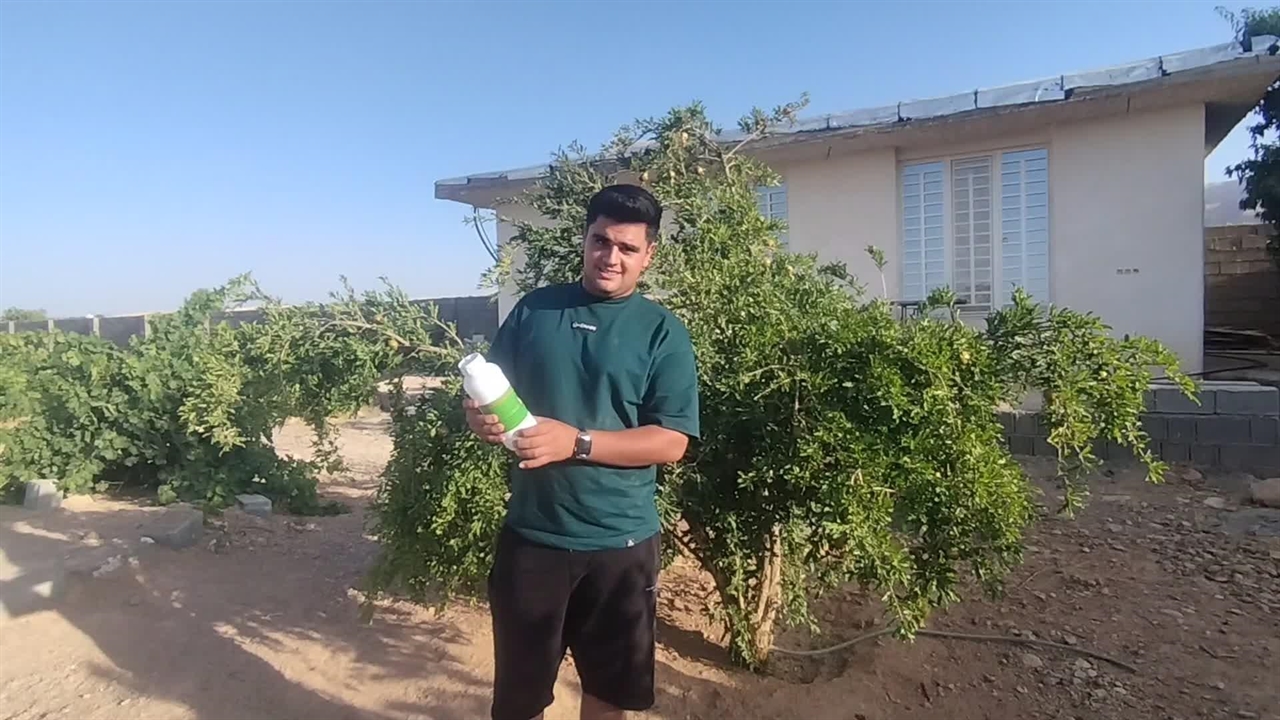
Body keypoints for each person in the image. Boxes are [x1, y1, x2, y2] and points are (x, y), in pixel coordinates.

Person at [464, 184, 700, 720]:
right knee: (519, 702)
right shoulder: (535, 310)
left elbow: (672, 441)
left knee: (609, 699)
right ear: (585, 239)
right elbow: (492, 398)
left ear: (648, 255)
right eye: (601, 241)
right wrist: (478, 418)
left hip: (621, 545)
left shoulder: (663, 333)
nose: (611, 257)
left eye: (627, 248)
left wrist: (576, 441)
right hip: (533, 539)